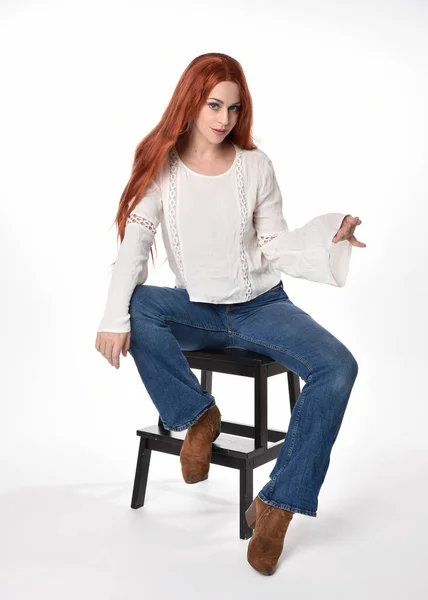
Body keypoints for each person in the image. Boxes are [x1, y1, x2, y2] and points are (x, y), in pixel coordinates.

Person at [95, 52, 366, 575]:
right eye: (214, 104)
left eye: (234, 108)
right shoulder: (163, 169)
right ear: (191, 102)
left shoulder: (256, 166)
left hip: (261, 307)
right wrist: (112, 318)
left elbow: (275, 243)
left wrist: (329, 234)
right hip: (196, 308)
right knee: (136, 303)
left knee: (338, 367)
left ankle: (278, 506)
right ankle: (198, 416)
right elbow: (136, 245)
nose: (224, 118)